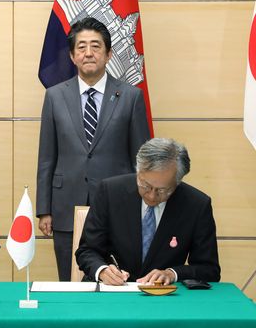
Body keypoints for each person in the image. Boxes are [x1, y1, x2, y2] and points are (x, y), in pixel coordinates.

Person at [36, 17, 151, 281]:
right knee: (69, 278)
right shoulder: (54, 96)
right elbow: (46, 156)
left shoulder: (131, 96)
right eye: (81, 47)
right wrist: (45, 209)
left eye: (96, 46)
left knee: (118, 279)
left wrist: (143, 205)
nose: (89, 53)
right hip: (65, 205)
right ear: (72, 55)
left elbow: (141, 159)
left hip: (119, 204)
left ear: (108, 54)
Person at [76, 138, 221, 285]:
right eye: (145, 185)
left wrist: (172, 274)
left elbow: (209, 270)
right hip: (112, 291)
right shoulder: (110, 191)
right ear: (138, 171)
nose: (151, 195)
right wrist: (102, 270)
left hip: (163, 297)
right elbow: (87, 251)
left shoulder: (196, 205)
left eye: (162, 190)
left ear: (177, 182)